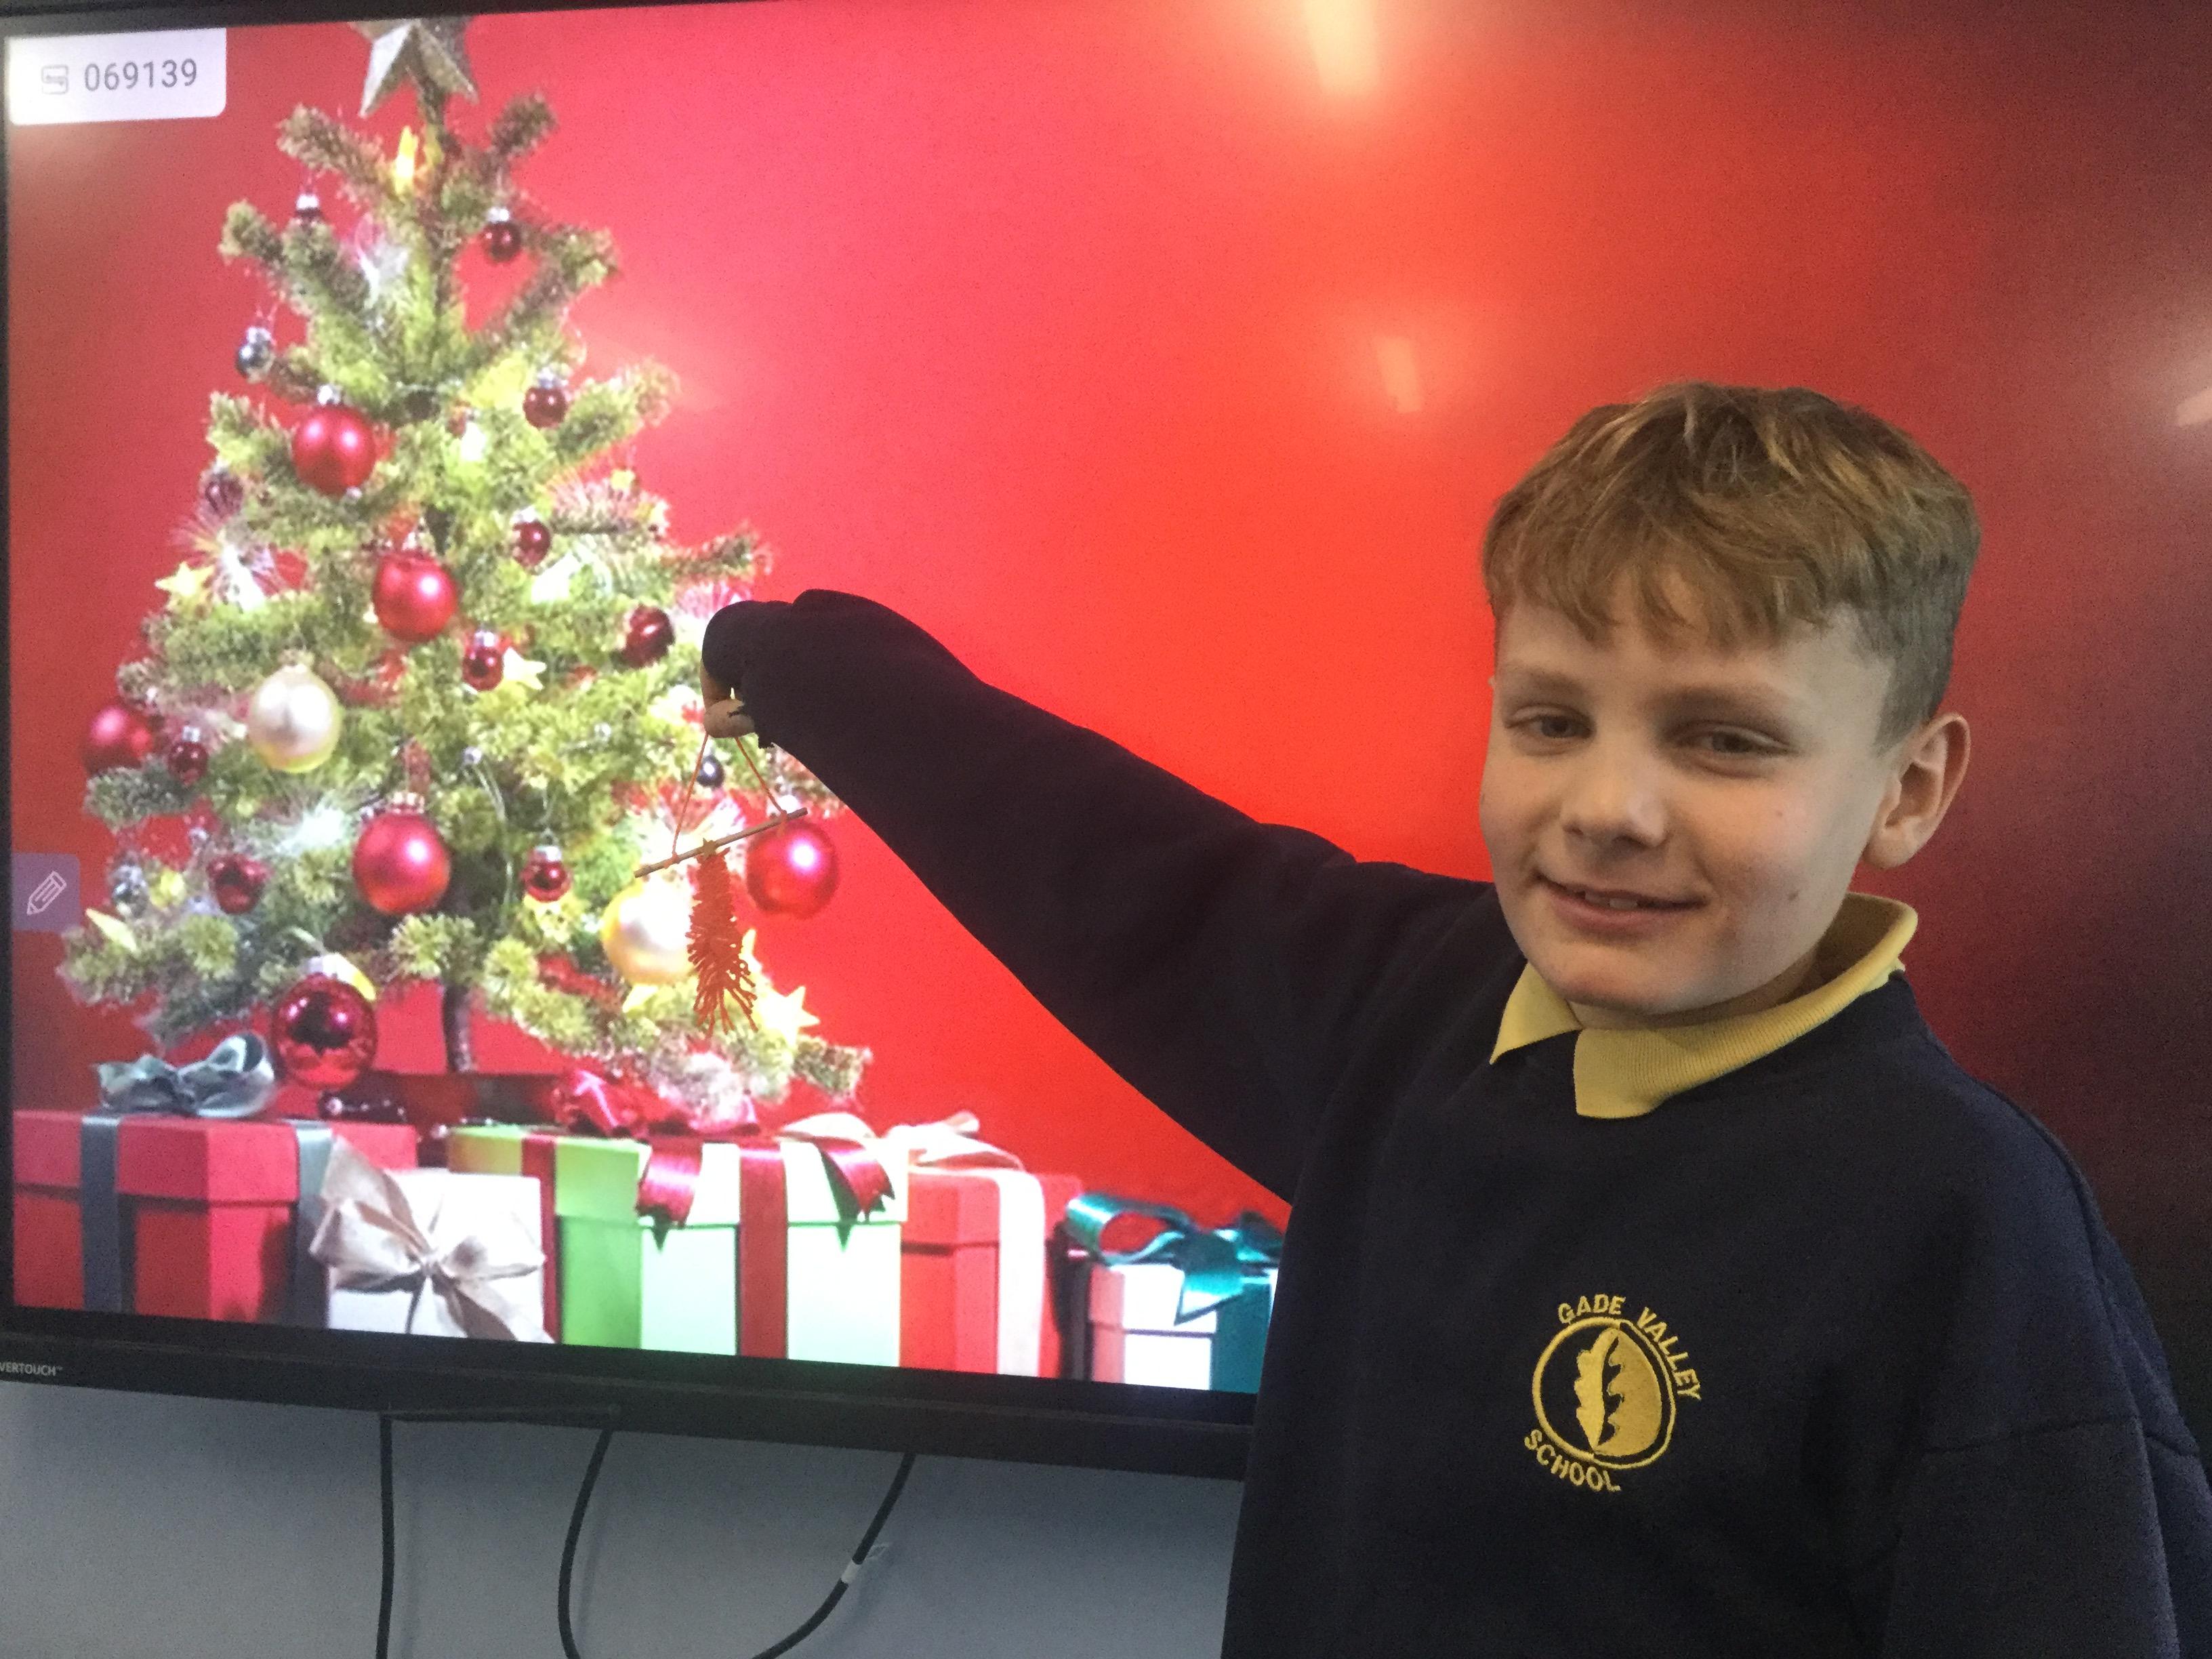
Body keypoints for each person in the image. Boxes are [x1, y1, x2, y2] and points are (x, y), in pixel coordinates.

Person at [698, 382, 2212, 1656]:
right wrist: (797, 664)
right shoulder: (1409, 1003)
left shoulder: (1966, 1225)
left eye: (1724, 740)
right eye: (1551, 719)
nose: (1609, 808)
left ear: (1909, 787)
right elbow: (1101, 858)